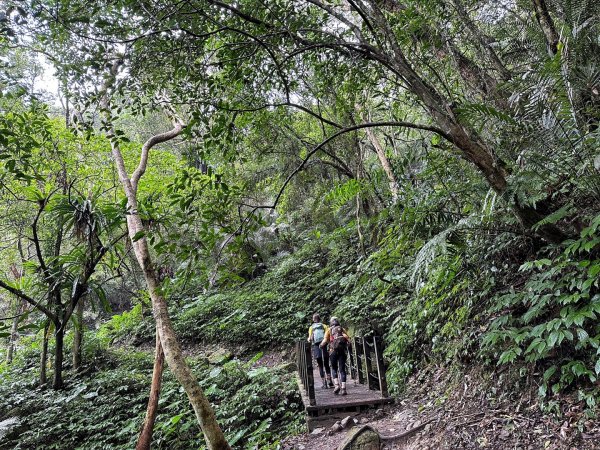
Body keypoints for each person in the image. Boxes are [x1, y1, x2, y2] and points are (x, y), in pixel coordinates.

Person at [320, 316, 350, 395]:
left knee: (334, 368)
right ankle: (343, 388)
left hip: (333, 351)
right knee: (342, 369)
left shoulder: (329, 330)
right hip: (342, 351)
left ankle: (337, 385)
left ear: (331, 322)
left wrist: (321, 345)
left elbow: (325, 341)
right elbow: (347, 338)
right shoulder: (342, 329)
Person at [307, 313, 333, 389]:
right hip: (324, 346)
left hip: (316, 347)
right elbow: (328, 336)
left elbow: (310, 339)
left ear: (313, 319)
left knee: (320, 365)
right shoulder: (324, 326)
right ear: (320, 319)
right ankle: (329, 381)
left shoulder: (311, 327)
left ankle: (324, 383)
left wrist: (309, 340)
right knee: (326, 364)